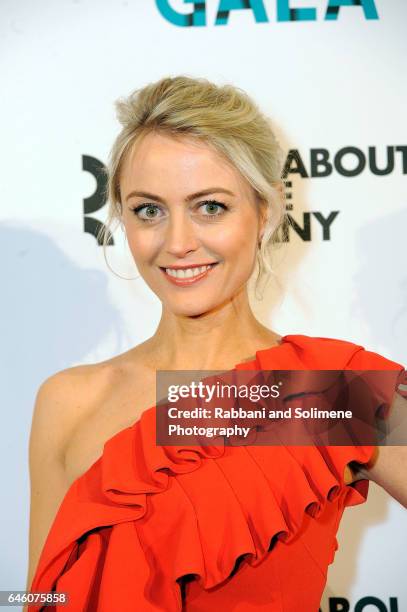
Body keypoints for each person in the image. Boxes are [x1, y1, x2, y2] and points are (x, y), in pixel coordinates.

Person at [26, 75, 406, 611]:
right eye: (149, 210)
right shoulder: (67, 401)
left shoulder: (331, 388)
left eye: (210, 207)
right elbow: (38, 595)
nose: (178, 243)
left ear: (266, 213)